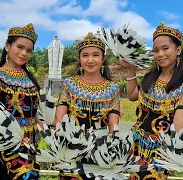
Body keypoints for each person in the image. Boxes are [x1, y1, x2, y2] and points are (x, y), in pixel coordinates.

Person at [116, 23, 183, 180]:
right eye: (156, 50)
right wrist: (131, 69)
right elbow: (132, 95)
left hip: (162, 151)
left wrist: (177, 152)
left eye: (165, 48)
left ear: (178, 50)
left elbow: (179, 122)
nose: (160, 54)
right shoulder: (150, 77)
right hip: (138, 147)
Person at [54, 32, 121, 180]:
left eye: (95, 55)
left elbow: (113, 125)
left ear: (103, 59)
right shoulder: (69, 85)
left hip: (100, 153)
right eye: (85, 55)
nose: (90, 60)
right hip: (71, 151)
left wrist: (110, 149)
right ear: (79, 59)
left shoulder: (113, 89)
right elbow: (59, 119)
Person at [0, 23, 43, 180]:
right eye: (19, 47)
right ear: (7, 46)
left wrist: (48, 131)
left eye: (29, 51)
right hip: (8, 140)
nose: (24, 53)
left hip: (32, 141)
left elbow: (35, 113)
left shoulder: (30, 78)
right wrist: (15, 132)